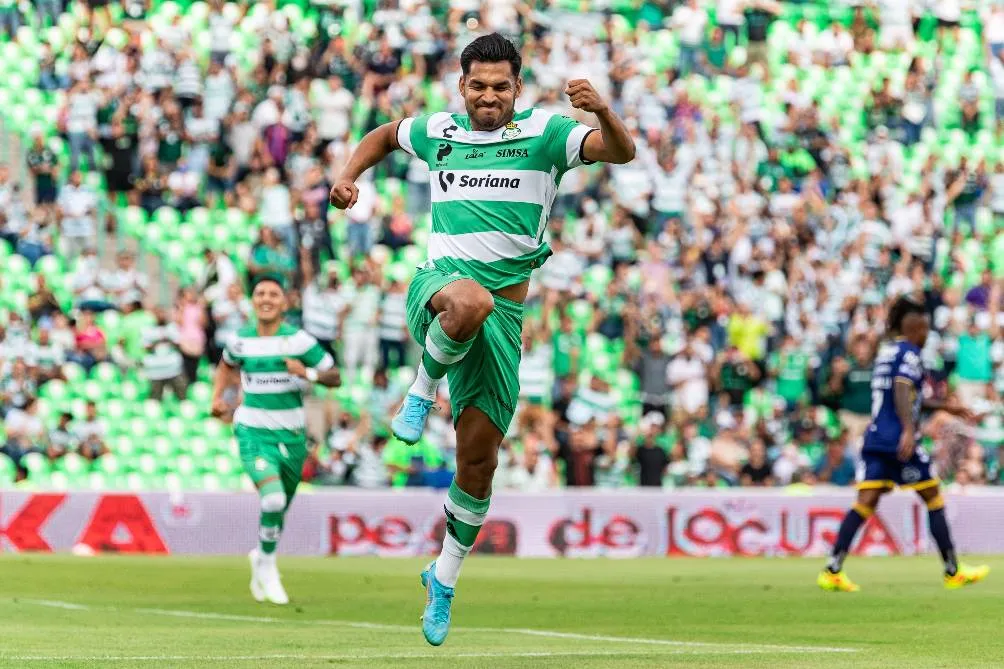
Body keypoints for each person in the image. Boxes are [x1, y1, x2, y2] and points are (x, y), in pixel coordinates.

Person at [330, 32, 634, 645]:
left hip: (505, 320)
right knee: (470, 298)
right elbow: (385, 135)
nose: (488, 96)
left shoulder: (548, 134)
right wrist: (346, 177)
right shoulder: (439, 131)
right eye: (477, 85)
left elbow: (620, 152)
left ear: (516, 88)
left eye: (500, 86)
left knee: (478, 462)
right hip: (439, 290)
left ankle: (442, 579)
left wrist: (601, 108)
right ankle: (421, 391)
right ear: (461, 85)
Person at [818, 296, 990, 593]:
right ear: (916, 329)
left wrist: (949, 409)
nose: (926, 337)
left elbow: (907, 395)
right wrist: (908, 432)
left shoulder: (887, 352)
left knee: (865, 502)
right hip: (898, 440)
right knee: (933, 497)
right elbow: (901, 389)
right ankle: (953, 570)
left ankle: (832, 569)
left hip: (876, 437)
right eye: (924, 331)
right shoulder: (910, 353)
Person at [210, 273, 341, 606]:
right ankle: (268, 565)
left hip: (293, 438)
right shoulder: (239, 340)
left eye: (273, 294)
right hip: (253, 431)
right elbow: (226, 367)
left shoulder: (299, 341)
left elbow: (334, 375)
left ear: (284, 302)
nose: (266, 299)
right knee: (272, 500)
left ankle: (262, 556)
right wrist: (217, 398)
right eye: (260, 293)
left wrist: (306, 373)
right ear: (253, 301)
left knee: (280, 506)